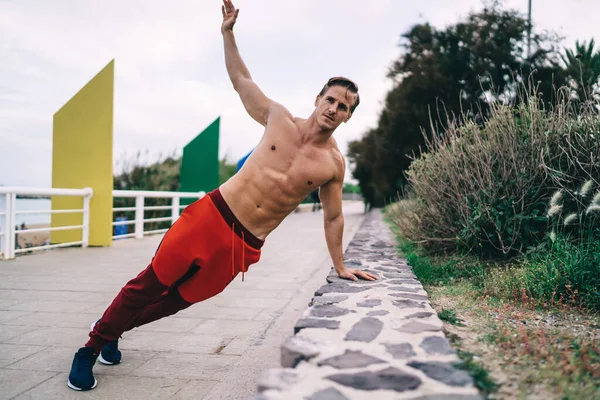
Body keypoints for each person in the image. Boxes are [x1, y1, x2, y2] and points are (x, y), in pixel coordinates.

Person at [67, 0, 378, 391]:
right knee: (149, 284)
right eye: (330, 100)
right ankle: (90, 348)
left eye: (343, 107)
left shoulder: (332, 165)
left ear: (349, 116)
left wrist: (340, 265)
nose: (334, 109)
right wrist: (228, 33)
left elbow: (333, 217)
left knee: (177, 300)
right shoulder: (277, 118)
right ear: (318, 99)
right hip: (211, 215)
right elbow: (241, 81)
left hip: (243, 245)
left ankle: (114, 330)